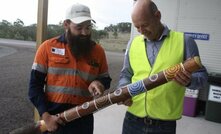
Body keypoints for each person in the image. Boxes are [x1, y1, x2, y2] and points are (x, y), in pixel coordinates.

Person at [118, 0, 208, 134]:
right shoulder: (133, 43)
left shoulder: (185, 41)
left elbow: (202, 76)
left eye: (145, 25)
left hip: (164, 125)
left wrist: (190, 81)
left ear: (158, 15)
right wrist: (123, 91)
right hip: (132, 120)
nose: (142, 31)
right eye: (137, 27)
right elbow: (126, 74)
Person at [28, 3, 111, 134]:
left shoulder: (98, 51)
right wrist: (46, 116)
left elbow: (106, 79)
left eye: (88, 27)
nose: (85, 32)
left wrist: (99, 83)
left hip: (84, 120)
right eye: (79, 28)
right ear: (66, 24)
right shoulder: (47, 47)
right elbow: (34, 85)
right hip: (53, 120)